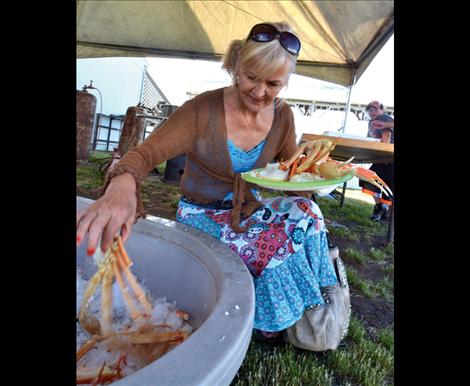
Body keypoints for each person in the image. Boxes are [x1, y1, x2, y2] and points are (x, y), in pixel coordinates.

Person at [77, 22, 341, 342]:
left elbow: (290, 174)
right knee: (279, 245)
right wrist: (122, 186)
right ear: (238, 63)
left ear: (286, 80)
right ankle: (261, 326)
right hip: (202, 215)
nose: (259, 92)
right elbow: (144, 155)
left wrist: (309, 166)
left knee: (309, 213)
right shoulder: (202, 110)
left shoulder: (283, 117)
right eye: (251, 77)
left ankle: (322, 306)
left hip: (248, 210)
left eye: (273, 83)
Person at [359, 100, 394, 221]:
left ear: (381, 109)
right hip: (383, 158)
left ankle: (383, 210)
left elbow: (386, 138)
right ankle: (381, 208)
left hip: (389, 157)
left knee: (382, 183)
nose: (372, 111)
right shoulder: (372, 122)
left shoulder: (383, 118)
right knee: (368, 179)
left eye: (375, 109)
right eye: (369, 109)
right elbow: (372, 139)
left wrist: (383, 152)